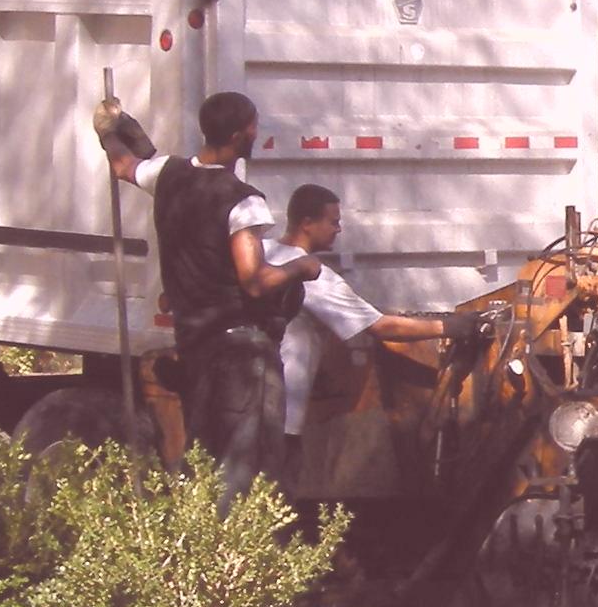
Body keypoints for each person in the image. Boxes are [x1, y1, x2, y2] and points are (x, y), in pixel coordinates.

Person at [92, 87, 295, 498]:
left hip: (195, 342)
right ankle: (237, 555)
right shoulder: (245, 203)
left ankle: (193, 549)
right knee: (245, 471)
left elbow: (124, 166)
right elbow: (253, 280)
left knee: (205, 456)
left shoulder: (169, 174)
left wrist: (109, 132)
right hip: (242, 352)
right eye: (253, 127)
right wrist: (301, 267)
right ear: (242, 134)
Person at [272, 182, 447, 443]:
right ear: (307, 223)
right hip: (283, 413)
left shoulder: (261, 253)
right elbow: (379, 327)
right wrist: (448, 327)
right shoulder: (311, 275)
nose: (338, 229)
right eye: (333, 222)